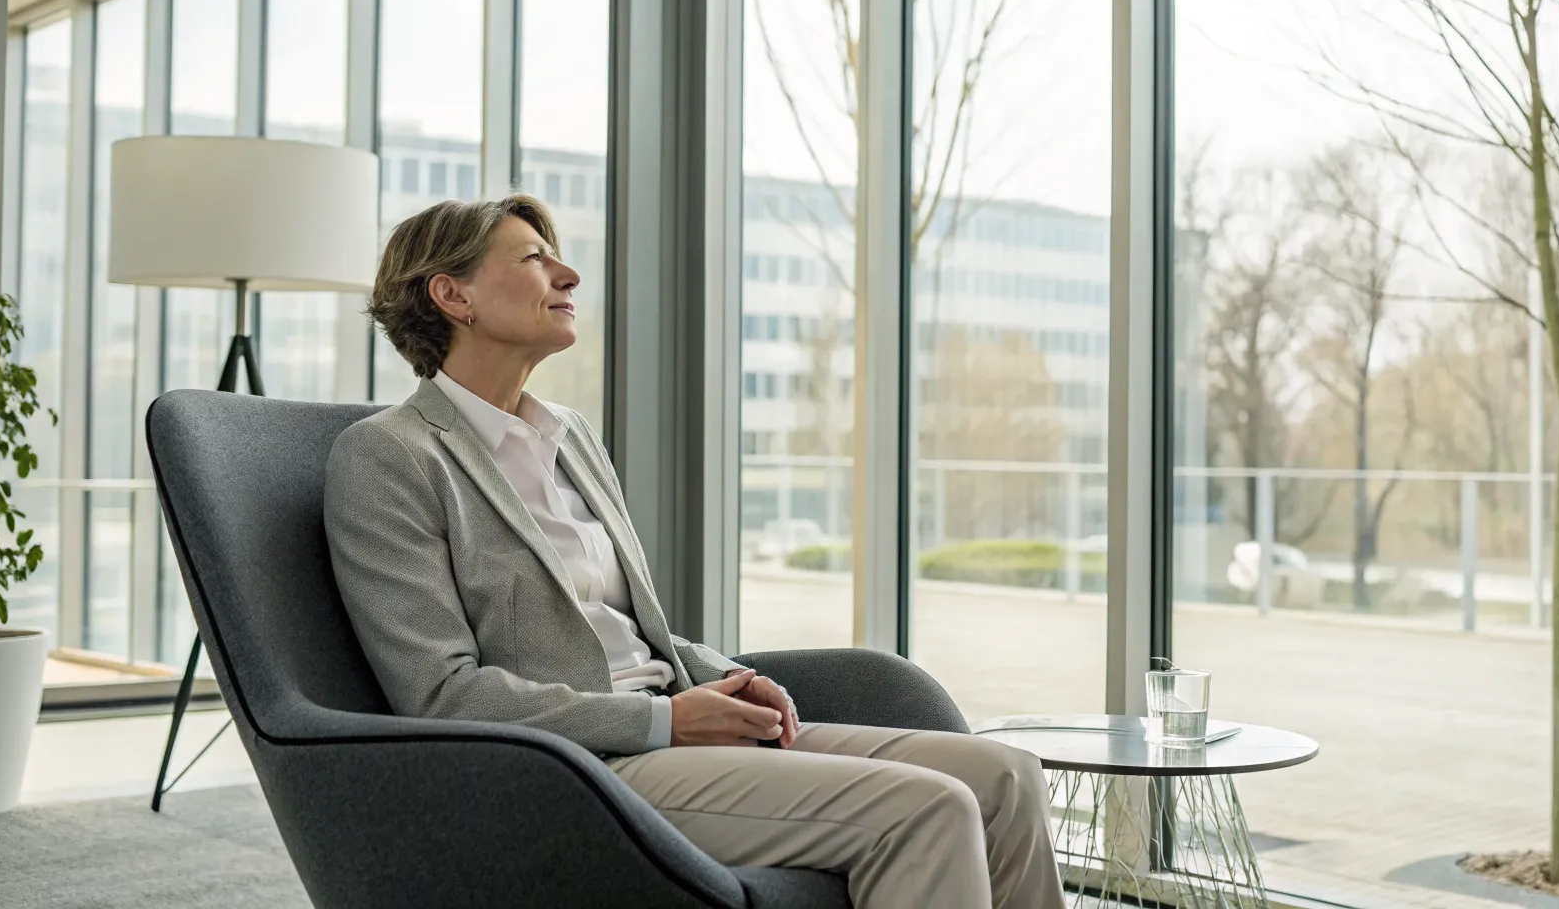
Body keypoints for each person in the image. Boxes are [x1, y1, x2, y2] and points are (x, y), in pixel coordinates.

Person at [325, 195, 1063, 909]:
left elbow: (624, 629)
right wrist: (666, 724)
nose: (569, 276)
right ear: (453, 295)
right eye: (534, 259)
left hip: (672, 723)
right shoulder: (390, 456)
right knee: (926, 809)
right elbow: (440, 695)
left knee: (1006, 777)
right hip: (582, 768)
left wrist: (728, 677)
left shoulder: (569, 436)